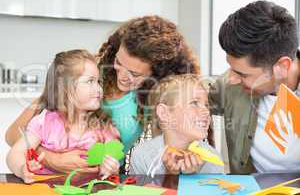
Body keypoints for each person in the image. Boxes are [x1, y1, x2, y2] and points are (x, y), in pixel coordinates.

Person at [5, 15, 200, 173]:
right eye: (118, 62)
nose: (121, 76)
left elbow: (166, 150)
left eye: (134, 73)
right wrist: (50, 158)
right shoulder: (87, 71)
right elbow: (12, 134)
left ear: (156, 73)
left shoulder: (156, 99)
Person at [209, 0, 300, 173]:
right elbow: (190, 98)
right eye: (231, 69)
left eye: (243, 74)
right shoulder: (229, 84)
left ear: (281, 66)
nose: (231, 79)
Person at [6, 50, 120, 183]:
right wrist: (22, 169)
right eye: (90, 81)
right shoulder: (45, 123)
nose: (99, 89)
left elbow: (113, 166)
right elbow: (14, 154)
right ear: (65, 88)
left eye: (98, 81)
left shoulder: (103, 126)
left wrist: (110, 168)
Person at [129, 74, 224, 175]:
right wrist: (170, 175)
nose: (206, 111)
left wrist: (191, 176)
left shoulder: (213, 159)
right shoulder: (142, 156)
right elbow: (143, 190)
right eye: (194, 103)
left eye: (206, 105)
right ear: (164, 113)